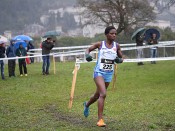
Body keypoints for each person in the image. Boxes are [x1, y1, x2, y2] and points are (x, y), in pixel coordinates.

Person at [83, 26, 123, 127]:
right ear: (106, 34)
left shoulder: (117, 46)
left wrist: (119, 60)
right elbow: (87, 50)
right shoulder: (100, 44)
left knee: (97, 95)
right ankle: (100, 120)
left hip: (109, 74)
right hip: (99, 72)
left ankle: (86, 104)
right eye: (111, 33)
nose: (114, 35)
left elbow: (121, 57)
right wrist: (87, 55)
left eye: (115, 34)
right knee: (103, 94)